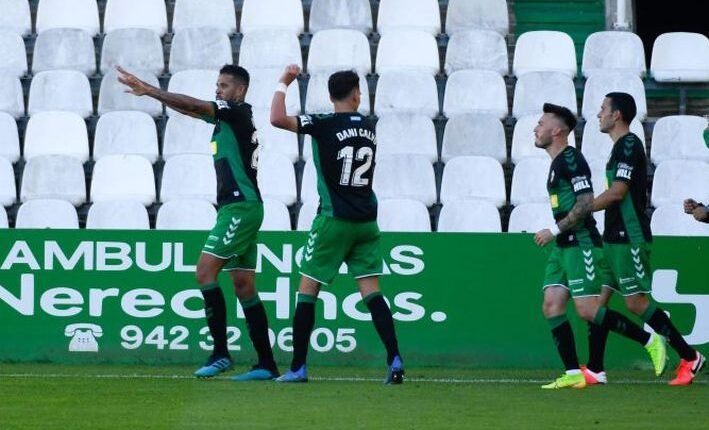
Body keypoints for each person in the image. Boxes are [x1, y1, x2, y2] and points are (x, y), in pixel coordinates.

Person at [117, 65, 279, 381]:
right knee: (244, 286)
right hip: (242, 207)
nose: (217, 90)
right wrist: (155, 94)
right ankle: (266, 364)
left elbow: (194, 105)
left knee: (205, 272)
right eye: (216, 85)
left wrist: (149, 89)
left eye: (223, 85)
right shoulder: (230, 118)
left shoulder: (235, 113)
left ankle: (220, 354)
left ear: (240, 90)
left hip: (240, 208)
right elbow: (192, 110)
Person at [270, 65, 403, 384]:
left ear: (331, 96)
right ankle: (395, 359)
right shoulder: (369, 125)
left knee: (307, 290)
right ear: (357, 94)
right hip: (367, 222)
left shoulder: (323, 123)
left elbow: (276, 119)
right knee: (373, 293)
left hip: (334, 219)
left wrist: (283, 83)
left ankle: (298, 367)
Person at [533, 103, 666, 389]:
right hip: (563, 247)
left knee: (587, 310)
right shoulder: (556, 163)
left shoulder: (571, 160)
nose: (536, 128)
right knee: (552, 304)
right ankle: (572, 373)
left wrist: (554, 230)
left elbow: (585, 202)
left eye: (542, 123)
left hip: (581, 244)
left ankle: (650, 340)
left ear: (557, 130)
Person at [593, 92, 705, 386]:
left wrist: (584, 208)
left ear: (617, 115)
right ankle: (595, 368)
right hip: (612, 236)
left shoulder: (629, 144)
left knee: (635, 302)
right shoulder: (618, 147)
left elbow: (618, 191)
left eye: (603, 108)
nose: (598, 113)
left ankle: (690, 356)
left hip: (629, 237)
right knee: (596, 304)